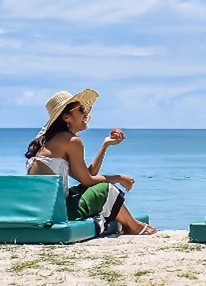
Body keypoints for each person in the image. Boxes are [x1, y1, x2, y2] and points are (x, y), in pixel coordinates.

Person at [24, 88, 157, 236]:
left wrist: (105, 145)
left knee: (96, 188)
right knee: (106, 189)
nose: (86, 114)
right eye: (81, 110)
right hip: (58, 212)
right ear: (66, 117)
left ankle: (130, 224)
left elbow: (87, 176)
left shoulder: (49, 141)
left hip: (43, 210)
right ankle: (133, 226)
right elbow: (87, 180)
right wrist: (119, 178)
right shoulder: (71, 141)